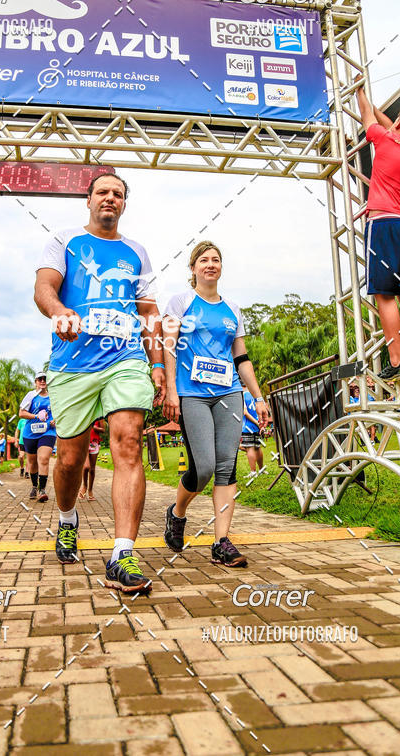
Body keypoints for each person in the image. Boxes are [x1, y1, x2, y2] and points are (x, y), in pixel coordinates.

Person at [34, 172, 165, 595]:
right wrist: (59, 311)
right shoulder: (65, 240)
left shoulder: (137, 251)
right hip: (73, 364)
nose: (110, 198)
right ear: (88, 200)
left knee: (128, 441)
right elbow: (43, 287)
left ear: (124, 204)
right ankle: (68, 518)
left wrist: (156, 360)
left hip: (124, 358)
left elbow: (148, 311)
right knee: (70, 459)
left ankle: (123, 553)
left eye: (118, 194)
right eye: (103, 192)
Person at [162, 241, 269, 568]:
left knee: (226, 466)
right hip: (191, 394)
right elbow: (168, 349)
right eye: (204, 260)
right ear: (193, 268)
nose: (211, 264)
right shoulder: (180, 302)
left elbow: (242, 357)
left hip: (229, 394)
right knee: (204, 468)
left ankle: (222, 542)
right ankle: (177, 513)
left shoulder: (232, 309)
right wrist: (170, 391)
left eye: (216, 260)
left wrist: (258, 396)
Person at [355, 81, 400, 385]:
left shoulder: (383, 140)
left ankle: (396, 361)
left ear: (398, 124)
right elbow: (387, 124)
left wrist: (359, 93)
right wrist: (391, 119)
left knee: (385, 294)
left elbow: (367, 116)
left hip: (385, 224)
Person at [19, 372, 56, 503]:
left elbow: (61, 411)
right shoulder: (31, 395)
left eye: (44, 379)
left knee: (44, 459)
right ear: (35, 382)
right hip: (30, 434)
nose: (42, 381)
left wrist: (56, 420)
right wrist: (36, 416)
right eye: (39, 379)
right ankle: (34, 486)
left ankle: (42, 490)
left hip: (48, 432)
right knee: (33, 463)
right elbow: (21, 413)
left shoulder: (53, 396)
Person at [240, 383, 264, 474]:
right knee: (257, 447)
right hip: (258, 426)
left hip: (248, 427)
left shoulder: (242, 395)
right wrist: (260, 424)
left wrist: (256, 423)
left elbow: (245, 412)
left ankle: (253, 472)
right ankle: (261, 469)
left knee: (250, 448)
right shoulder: (255, 395)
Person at [80, 418, 104, 500]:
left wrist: (94, 427)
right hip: (84, 441)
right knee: (86, 466)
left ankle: (90, 490)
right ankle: (84, 486)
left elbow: (103, 429)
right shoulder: (85, 412)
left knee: (92, 469)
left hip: (94, 443)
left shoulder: (99, 416)